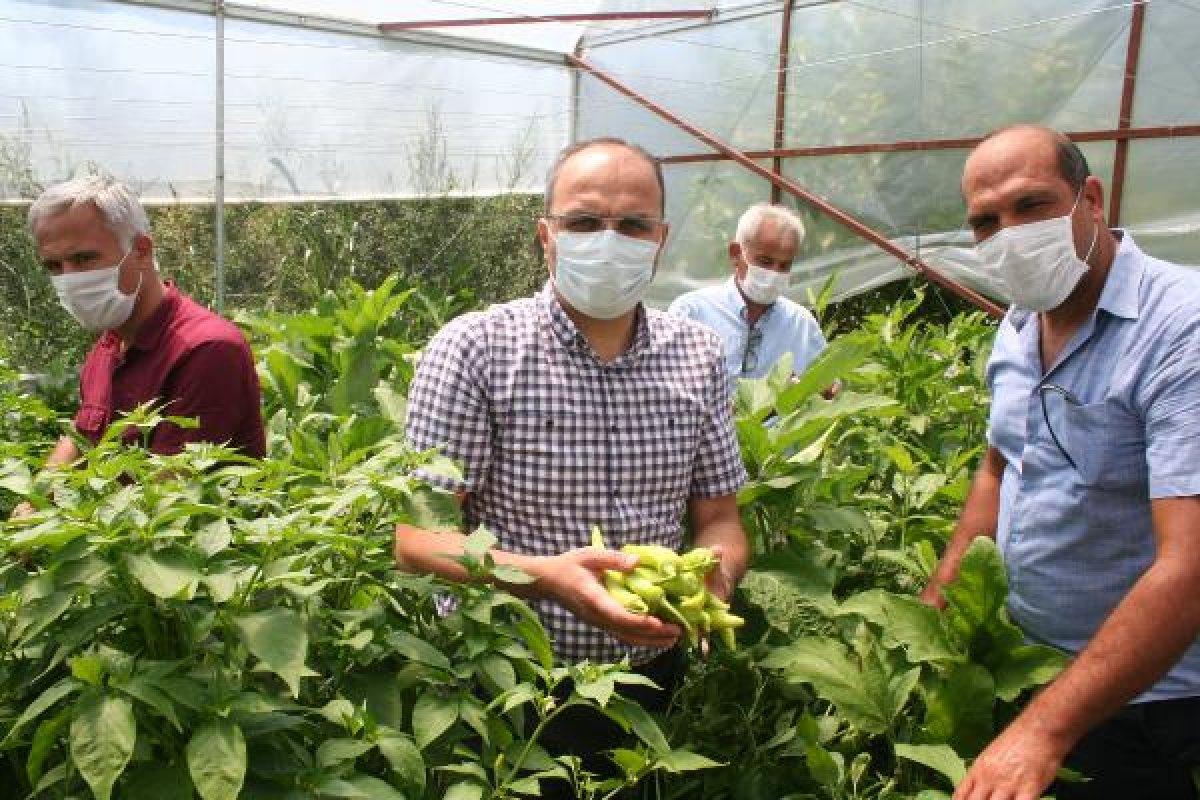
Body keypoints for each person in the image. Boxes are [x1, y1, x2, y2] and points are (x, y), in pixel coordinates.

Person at [395, 138, 748, 794]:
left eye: (633, 224)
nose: (609, 241)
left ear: (660, 239)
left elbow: (720, 516)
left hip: (649, 682)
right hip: (509, 685)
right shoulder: (476, 350)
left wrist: (709, 590)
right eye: (584, 222)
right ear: (546, 236)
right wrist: (546, 579)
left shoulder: (699, 355)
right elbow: (419, 537)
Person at [918, 125, 1200, 800]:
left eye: (1031, 205)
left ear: (1091, 199)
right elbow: (999, 466)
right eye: (985, 223)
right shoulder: (1020, 324)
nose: (1008, 233)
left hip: (1151, 703)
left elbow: (1189, 567)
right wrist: (941, 599)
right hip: (1033, 669)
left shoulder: (1179, 327)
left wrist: (1043, 731)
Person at [18, 176, 266, 494]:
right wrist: (37, 500)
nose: (70, 280)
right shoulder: (108, 348)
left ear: (141, 251)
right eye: (54, 266)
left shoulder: (208, 350)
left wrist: (48, 532)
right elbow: (80, 438)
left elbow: (164, 498)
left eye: (83, 259)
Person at [668, 203, 827, 388]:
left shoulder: (802, 325)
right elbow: (666, 386)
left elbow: (825, 386)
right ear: (736, 254)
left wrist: (827, 390)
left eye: (784, 265)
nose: (774, 273)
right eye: (765, 261)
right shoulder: (692, 312)